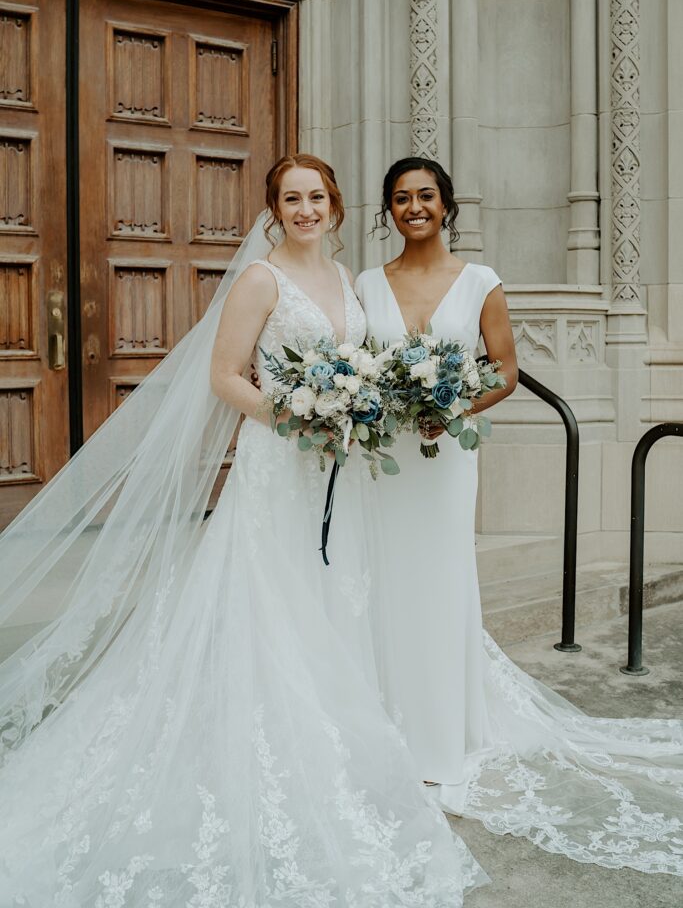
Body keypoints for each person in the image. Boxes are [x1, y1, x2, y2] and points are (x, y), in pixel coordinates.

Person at [0, 155, 486, 906]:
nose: (305, 210)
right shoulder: (261, 280)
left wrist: (349, 412)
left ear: (334, 206)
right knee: (274, 602)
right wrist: (300, 414)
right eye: (291, 199)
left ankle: (339, 745)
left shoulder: (346, 277)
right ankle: (272, 754)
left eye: (316, 197)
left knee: (334, 596)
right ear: (273, 208)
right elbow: (226, 376)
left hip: (337, 473)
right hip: (278, 466)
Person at [355, 156, 683, 876]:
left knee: (439, 587)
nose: (413, 207)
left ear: (446, 207)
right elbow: (356, 367)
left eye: (425, 197)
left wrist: (451, 408)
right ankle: (385, 729)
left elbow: (501, 370)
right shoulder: (364, 284)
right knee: (383, 586)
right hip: (382, 468)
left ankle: (440, 740)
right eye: (401, 198)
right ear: (387, 210)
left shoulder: (479, 283)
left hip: (442, 464)